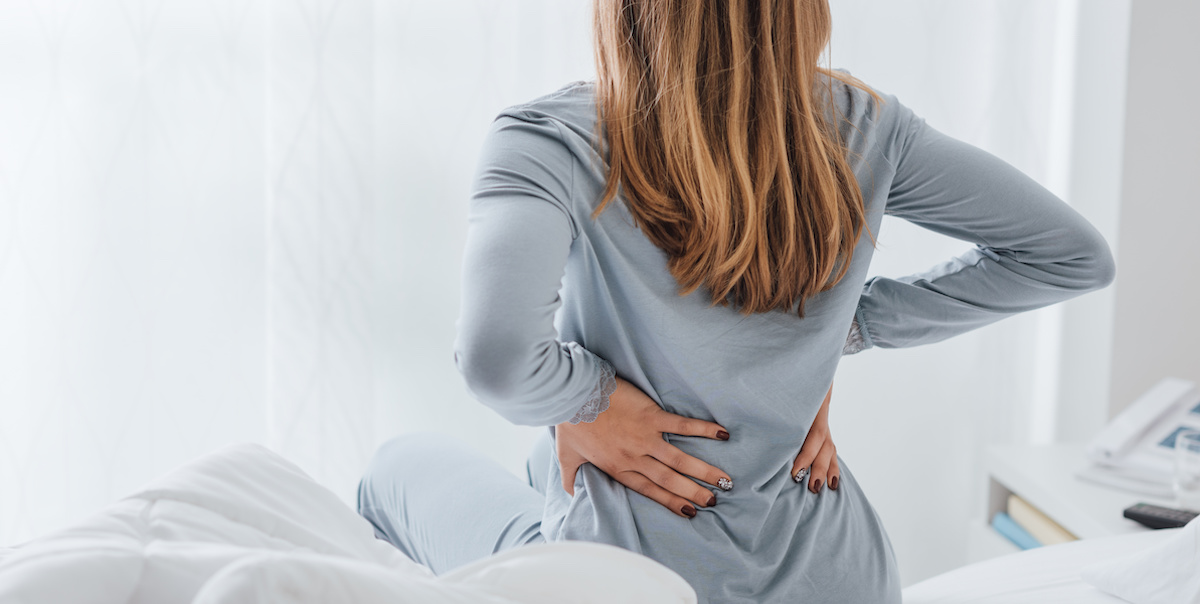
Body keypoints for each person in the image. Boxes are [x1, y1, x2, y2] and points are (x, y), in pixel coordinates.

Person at [356, 1, 1116, 602]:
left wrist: (590, 400)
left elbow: (497, 361)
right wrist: (841, 332)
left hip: (626, 579)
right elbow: (1072, 256)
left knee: (393, 468)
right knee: (537, 464)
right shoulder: (863, 127)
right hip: (843, 579)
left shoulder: (553, 139)